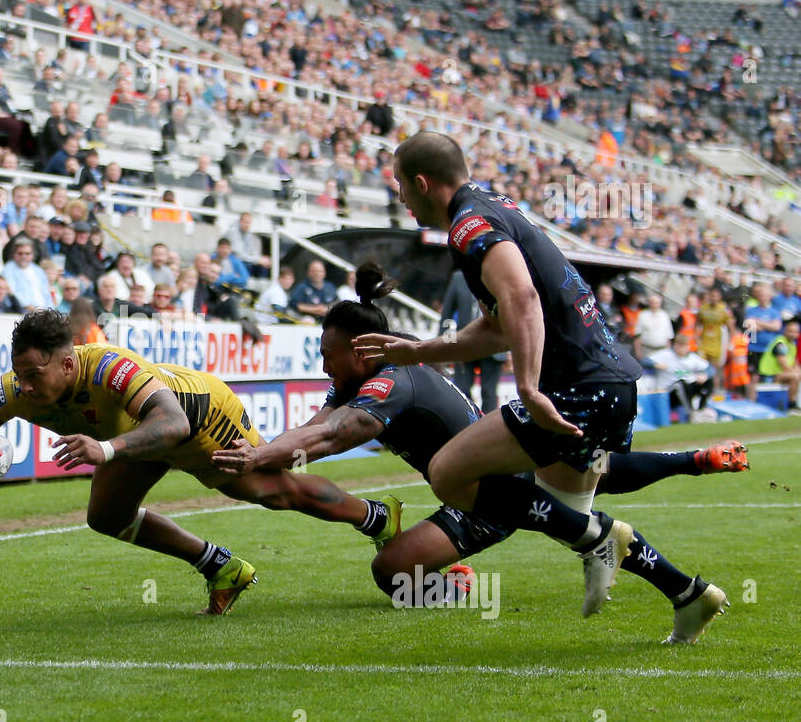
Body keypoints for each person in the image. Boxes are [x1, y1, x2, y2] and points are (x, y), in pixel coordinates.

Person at [214, 262, 743, 642]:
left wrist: (260, 459)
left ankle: (465, 583)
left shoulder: (394, 382)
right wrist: (259, 450)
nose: (324, 365)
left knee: (394, 575)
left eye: (328, 354)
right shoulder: (359, 379)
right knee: (588, 486)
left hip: (487, 495)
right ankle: (686, 585)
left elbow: (331, 437)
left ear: (358, 350)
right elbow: (313, 428)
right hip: (473, 484)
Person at [354, 132, 727, 642]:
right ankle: (688, 594)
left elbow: (522, 297)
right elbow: (497, 326)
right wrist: (418, 351)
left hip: (577, 387)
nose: (398, 195)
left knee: (447, 474)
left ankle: (598, 539)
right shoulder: (491, 206)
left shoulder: (468, 225)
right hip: (613, 382)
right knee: (566, 515)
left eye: (400, 184)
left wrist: (528, 388)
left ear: (422, 183)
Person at [0, 310, 383, 616]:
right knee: (106, 516)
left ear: (68, 365)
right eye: (20, 375)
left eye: (35, 375)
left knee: (271, 491)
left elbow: (173, 424)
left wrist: (104, 450)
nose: (25, 387)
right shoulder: (13, 388)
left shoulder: (108, 365)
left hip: (200, 413)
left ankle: (377, 519)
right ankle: (221, 567)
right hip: (138, 436)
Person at [439, 268, 503, 414]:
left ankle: (488, 430)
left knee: (489, 393)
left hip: (494, 345)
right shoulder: (459, 278)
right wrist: (447, 343)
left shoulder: (502, 275)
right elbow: (447, 315)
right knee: (461, 390)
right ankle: (464, 425)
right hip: (464, 344)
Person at [647, 334, 714, 416]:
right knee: (680, 384)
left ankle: (701, 409)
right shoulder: (665, 355)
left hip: (688, 390)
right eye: (679, 346)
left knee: (709, 381)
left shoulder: (692, 358)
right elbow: (644, 361)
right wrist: (654, 364)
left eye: (684, 346)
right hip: (668, 393)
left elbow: (711, 369)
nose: (682, 349)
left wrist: (705, 375)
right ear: (675, 345)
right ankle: (691, 414)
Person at [758, 318, 800, 408]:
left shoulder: (792, 344)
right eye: (791, 332)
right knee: (795, 377)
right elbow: (784, 366)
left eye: (796, 332)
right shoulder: (780, 343)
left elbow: (795, 364)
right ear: (785, 331)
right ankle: (792, 404)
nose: (793, 335)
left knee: (797, 375)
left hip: (779, 374)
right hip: (769, 375)